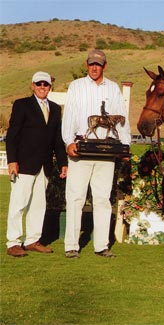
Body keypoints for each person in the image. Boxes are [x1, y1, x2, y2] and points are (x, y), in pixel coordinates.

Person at [62, 49, 131, 258]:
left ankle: (101, 246)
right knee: (75, 198)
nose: (94, 68)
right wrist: (68, 141)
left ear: (104, 66)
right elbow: (70, 115)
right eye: (91, 64)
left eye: (98, 64)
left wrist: (125, 145)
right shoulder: (76, 86)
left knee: (102, 199)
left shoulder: (113, 88)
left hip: (106, 153)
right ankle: (71, 245)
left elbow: (123, 118)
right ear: (87, 64)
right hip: (81, 150)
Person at [5, 71, 68, 257]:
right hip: (23, 164)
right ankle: (13, 242)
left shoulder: (56, 109)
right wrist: (12, 161)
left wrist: (63, 162)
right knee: (19, 203)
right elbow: (12, 135)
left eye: (46, 84)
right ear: (32, 85)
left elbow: (57, 139)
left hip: (45, 166)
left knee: (39, 205)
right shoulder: (22, 105)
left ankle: (32, 240)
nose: (42, 87)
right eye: (39, 84)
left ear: (50, 87)